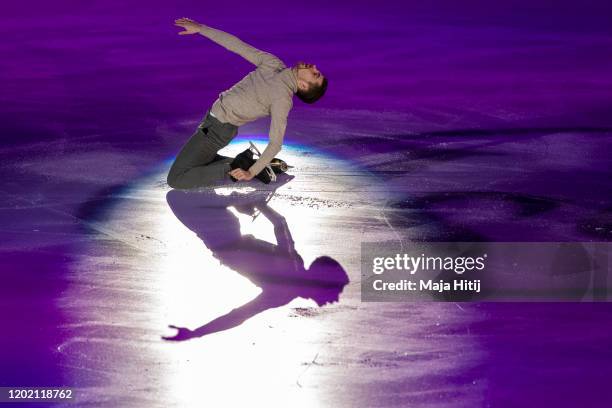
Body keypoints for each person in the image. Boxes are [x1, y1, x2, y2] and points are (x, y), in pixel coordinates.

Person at [166, 17, 328, 189]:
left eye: (315, 74)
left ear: (303, 85)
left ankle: (237, 168)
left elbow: (276, 143)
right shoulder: (274, 64)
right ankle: (257, 166)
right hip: (213, 123)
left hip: (217, 131)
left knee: (176, 178)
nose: (315, 67)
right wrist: (201, 28)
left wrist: (250, 173)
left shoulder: (282, 100)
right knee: (200, 164)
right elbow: (237, 45)